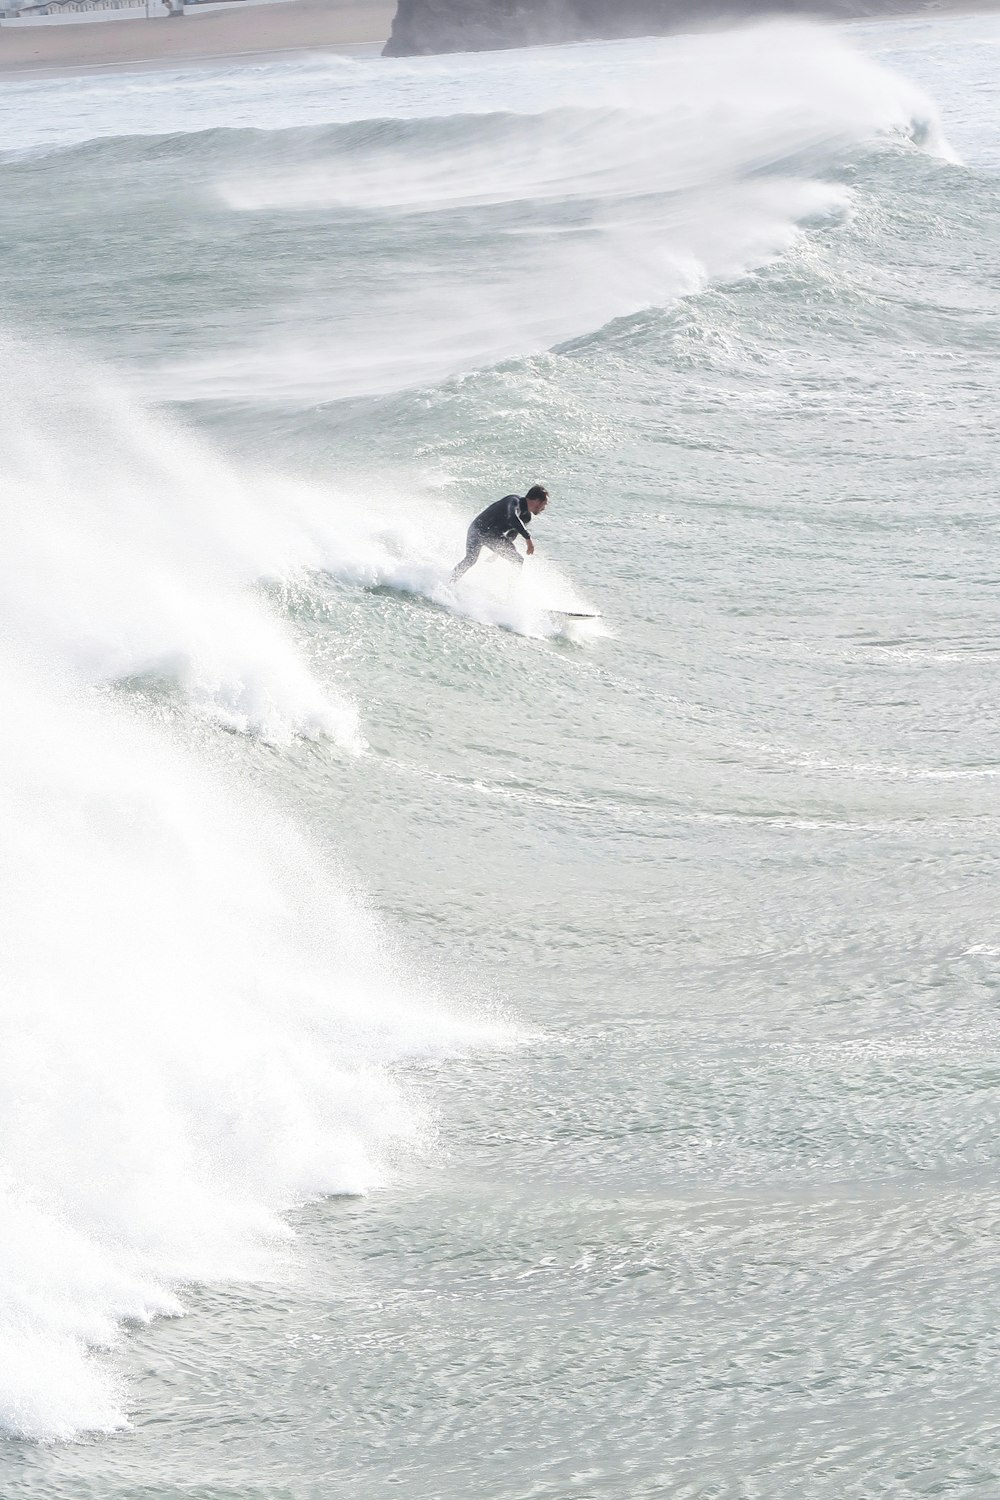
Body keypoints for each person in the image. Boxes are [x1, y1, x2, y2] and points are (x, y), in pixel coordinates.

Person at [450, 485, 549, 582]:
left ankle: (510, 594)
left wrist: (499, 551)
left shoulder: (526, 517)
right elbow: (512, 517)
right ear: (537, 501)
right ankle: (450, 581)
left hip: (493, 536)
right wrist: (528, 539)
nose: (544, 508)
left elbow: (511, 535)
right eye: (544, 504)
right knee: (470, 560)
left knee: (518, 560)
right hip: (478, 530)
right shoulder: (513, 501)